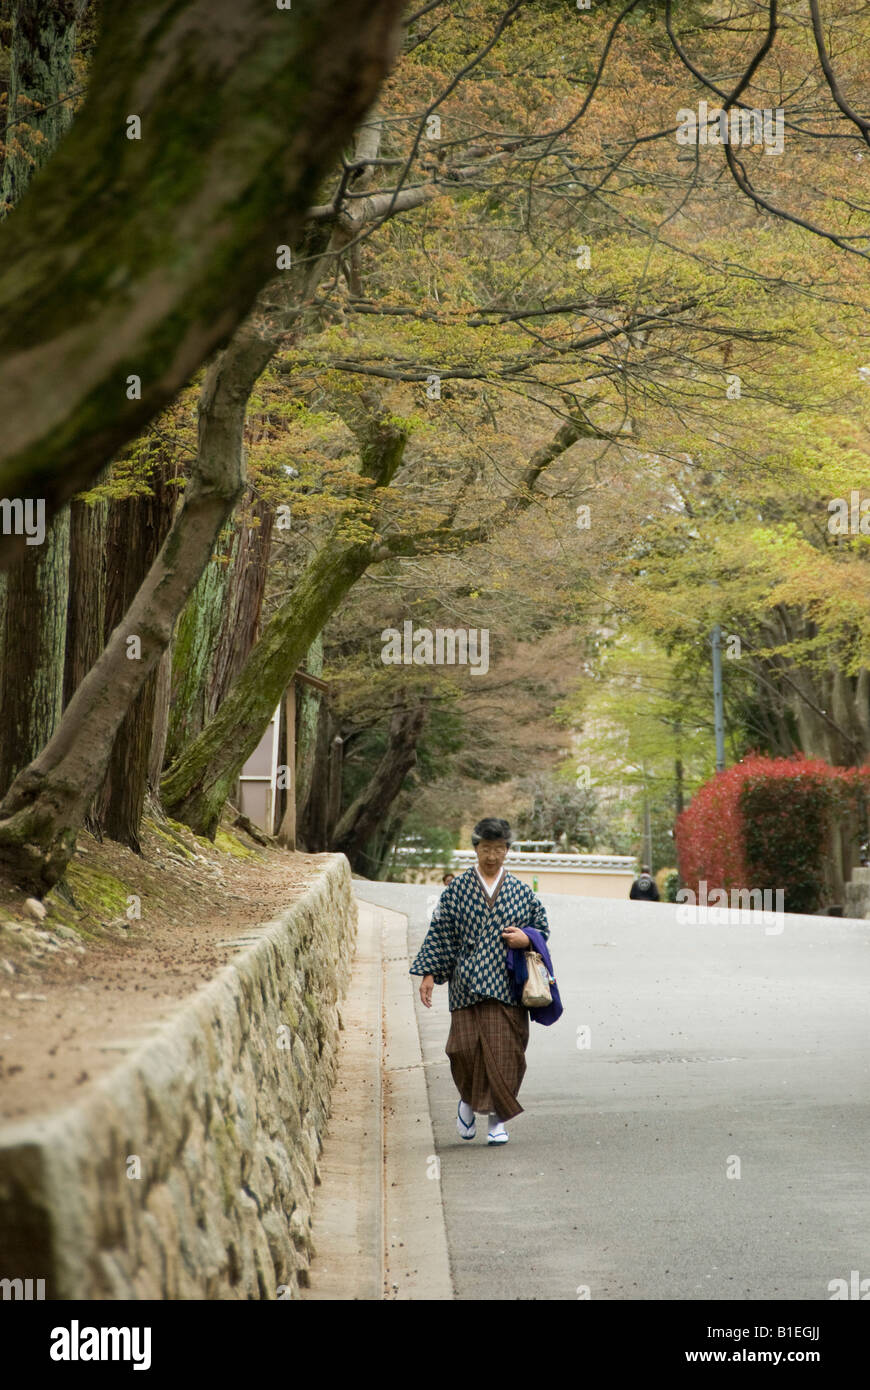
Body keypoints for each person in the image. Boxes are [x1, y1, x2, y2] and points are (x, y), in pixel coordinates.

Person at [409, 817, 550, 1146]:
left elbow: (541, 927)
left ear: (506, 851)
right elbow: (441, 933)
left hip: (506, 984)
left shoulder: (520, 891)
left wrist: (526, 938)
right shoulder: (457, 890)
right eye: (485, 848)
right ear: (475, 849)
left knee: (506, 1054)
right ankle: (469, 1102)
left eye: (498, 848)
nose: (491, 855)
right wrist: (429, 974)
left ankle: (497, 1121)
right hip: (466, 984)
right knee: (463, 1050)